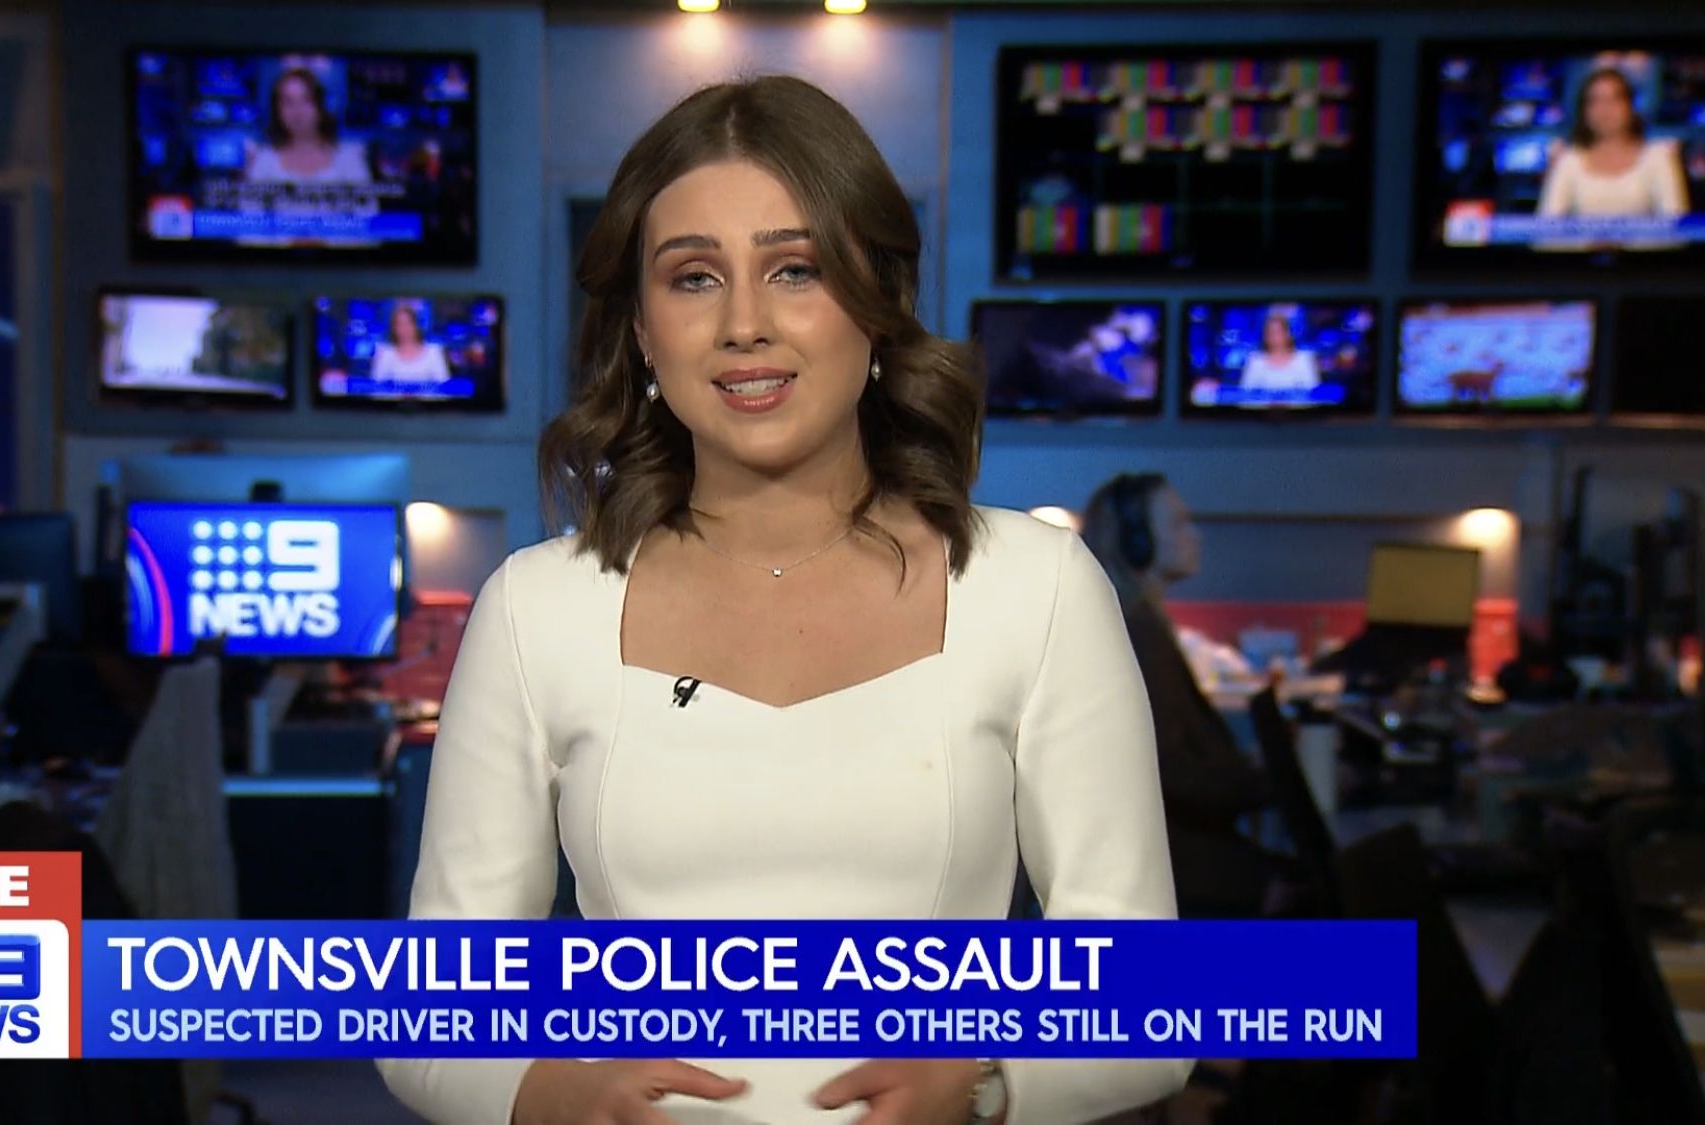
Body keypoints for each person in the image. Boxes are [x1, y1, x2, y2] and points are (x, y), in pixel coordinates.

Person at [378, 76, 1188, 1125]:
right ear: (642, 330)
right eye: (694, 278)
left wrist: (985, 1079)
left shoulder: (1035, 588)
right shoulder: (537, 610)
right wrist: (543, 1091)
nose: (745, 325)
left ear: (876, 303)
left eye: (794, 269)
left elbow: (1148, 996)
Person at [1082, 473, 1291, 920]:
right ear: (1137, 540)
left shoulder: (1140, 623)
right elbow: (1171, 771)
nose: (1195, 535)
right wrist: (1277, 784)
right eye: (1178, 523)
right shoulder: (1139, 633)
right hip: (1181, 867)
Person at [1537, 66, 1689, 222]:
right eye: (1594, 101)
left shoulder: (1658, 157)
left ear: (1630, 106)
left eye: (1614, 100)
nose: (1604, 109)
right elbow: (1547, 227)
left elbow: (1676, 223)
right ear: (1584, 110)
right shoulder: (1568, 160)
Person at [243, 66, 372, 187]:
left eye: (306, 100)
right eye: (288, 102)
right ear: (277, 111)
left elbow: (366, 203)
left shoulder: (348, 159)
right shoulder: (264, 161)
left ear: (320, 105)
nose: (297, 111)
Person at [369, 302, 452, 385]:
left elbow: (444, 387)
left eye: (408, 323)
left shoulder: (434, 352)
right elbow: (376, 387)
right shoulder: (386, 353)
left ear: (416, 325)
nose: (404, 329)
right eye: (399, 324)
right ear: (393, 328)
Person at [1238, 313, 1319, 396]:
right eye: (1270, 333)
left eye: (1278, 332)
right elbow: (1244, 394)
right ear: (1265, 337)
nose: (1274, 336)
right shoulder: (1255, 361)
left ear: (1288, 334)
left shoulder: (1304, 359)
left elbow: (1313, 394)